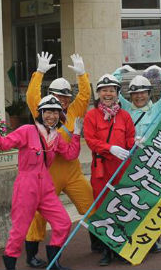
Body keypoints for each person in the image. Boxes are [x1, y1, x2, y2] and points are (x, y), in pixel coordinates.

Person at [0, 95, 82, 270]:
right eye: (48, 111)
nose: (52, 116)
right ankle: (11, 266)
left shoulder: (56, 136)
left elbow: (70, 154)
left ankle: (54, 263)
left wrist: (76, 135)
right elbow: (4, 144)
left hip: (46, 186)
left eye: (55, 112)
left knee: (63, 223)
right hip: (26, 186)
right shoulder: (27, 130)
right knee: (19, 229)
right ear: (40, 113)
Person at [24, 52, 94, 267]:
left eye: (65, 96)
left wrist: (82, 75)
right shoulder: (43, 110)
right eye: (57, 96)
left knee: (90, 205)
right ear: (50, 95)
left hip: (72, 173)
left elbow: (84, 96)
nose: (62, 100)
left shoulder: (73, 111)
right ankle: (32, 255)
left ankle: (100, 243)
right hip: (48, 175)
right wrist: (40, 72)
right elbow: (31, 96)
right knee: (39, 215)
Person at [112, 64, 161, 254]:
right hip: (130, 163)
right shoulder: (125, 110)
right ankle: (131, 237)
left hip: (152, 161)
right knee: (131, 201)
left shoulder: (158, 108)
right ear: (130, 95)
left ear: (149, 93)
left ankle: (152, 237)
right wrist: (120, 70)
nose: (139, 96)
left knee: (151, 201)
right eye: (135, 93)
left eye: (143, 92)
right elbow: (113, 92)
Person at [83, 73, 136, 266]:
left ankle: (121, 248)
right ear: (98, 93)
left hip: (122, 169)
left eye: (112, 90)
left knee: (122, 207)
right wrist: (109, 148)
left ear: (117, 94)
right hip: (101, 170)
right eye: (104, 90)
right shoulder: (91, 115)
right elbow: (90, 140)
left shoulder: (125, 116)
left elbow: (130, 138)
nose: (108, 94)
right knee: (103, 209)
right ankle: (106, 249)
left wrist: (135, 144)